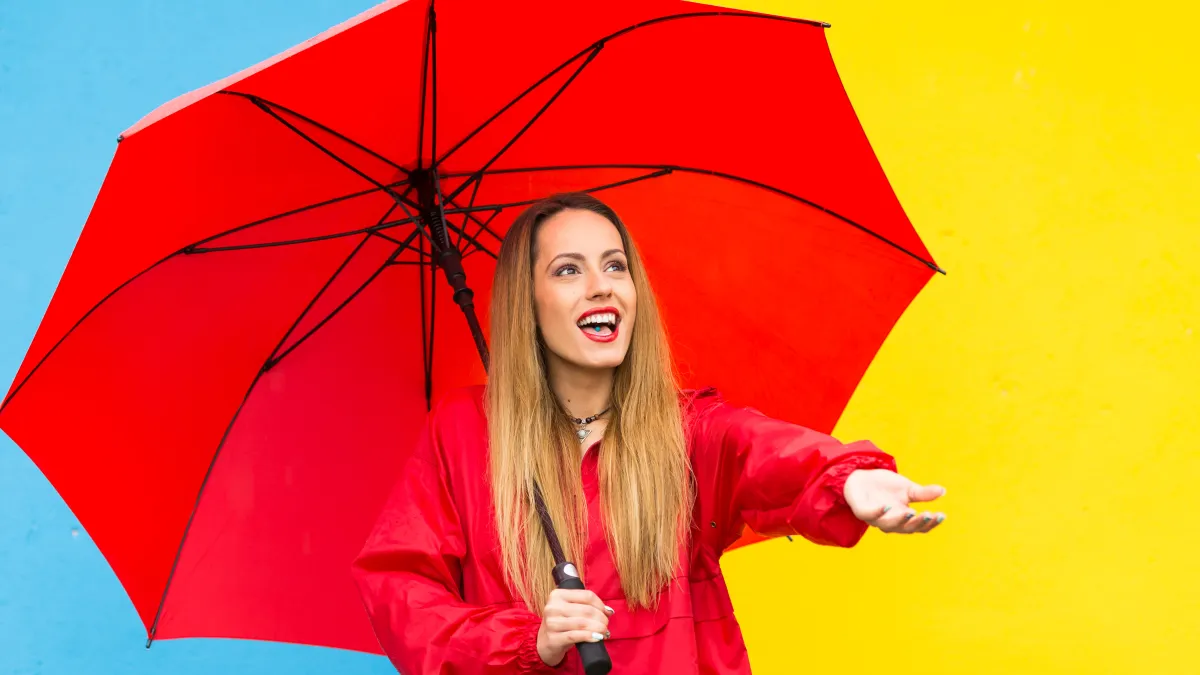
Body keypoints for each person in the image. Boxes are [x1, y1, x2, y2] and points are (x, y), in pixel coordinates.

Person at [351, 192, 947, 673]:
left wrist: (844, 478)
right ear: (526, 302)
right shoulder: (464, 431)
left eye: (615, 266)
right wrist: (530, 640)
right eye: (568, 270)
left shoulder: (686, 432)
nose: (601, 285)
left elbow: (760, 451)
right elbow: (402, 592)